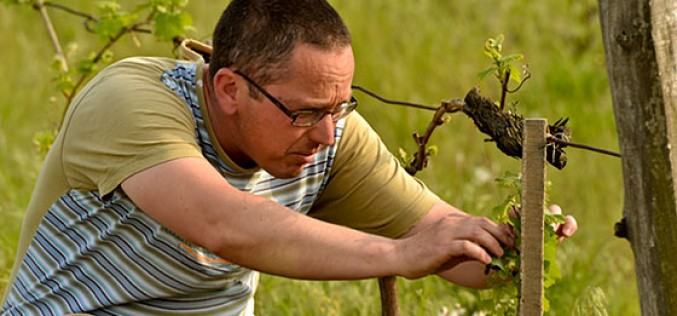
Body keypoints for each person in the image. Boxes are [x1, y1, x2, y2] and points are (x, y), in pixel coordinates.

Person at [1, 0, 577, 315]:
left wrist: (517, 248)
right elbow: (222, 224)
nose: (327, 134)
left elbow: (441, 243)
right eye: (304, 112)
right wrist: (399, 254)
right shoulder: (131, 101)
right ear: (228, 88)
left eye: (341, 105)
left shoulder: (326, 131)